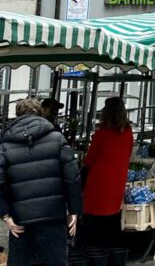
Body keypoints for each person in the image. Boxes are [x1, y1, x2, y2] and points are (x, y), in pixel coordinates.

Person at [0, 97, 82, 266]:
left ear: (17, 115)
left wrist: (5, 215)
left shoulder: (5, 145)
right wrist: (74, 210)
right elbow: (73, 178)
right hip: (53, 215)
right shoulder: (57, 139)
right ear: (40, 113)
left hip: (20, 220)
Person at [81, 96, 133, 248]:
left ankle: (93, 250)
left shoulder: (101, 134)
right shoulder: (128, 132)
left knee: (94, 217)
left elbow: (89, 160)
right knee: (112, 216)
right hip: (118, 179)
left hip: (98, 181)